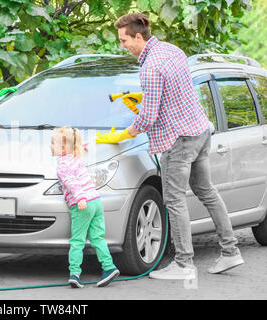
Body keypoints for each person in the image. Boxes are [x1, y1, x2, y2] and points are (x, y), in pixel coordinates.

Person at [96, 13, 244, 279]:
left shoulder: (150, 68)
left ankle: (184, 265)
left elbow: (148, 117)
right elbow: (177, 88)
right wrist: (143, 96)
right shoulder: (172, 51)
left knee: (174, 200)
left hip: (178, 141)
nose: (122, 46)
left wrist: (121, 135)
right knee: (206, 191)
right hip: (199, 132)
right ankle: (231, 252)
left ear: (138, 37)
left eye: (124, 40)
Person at [51, 126, 120, 288]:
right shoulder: (76, 155)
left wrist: (80, 198)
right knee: (97, 237)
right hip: (96, 201)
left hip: (82, 203)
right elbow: (79, 147)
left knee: (77, 241)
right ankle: (109, 267)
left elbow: (70, 182)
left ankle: (74, 273)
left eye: (52, 143)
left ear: (62, 148)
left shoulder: (62, 164)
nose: (50, 146)